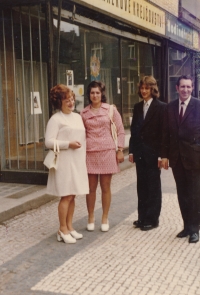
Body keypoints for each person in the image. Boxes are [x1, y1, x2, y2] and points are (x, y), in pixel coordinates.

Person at [45, 84, 89, 244]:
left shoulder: (77, 117)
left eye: (72, 99)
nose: (71, 103)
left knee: (73, 194)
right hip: (64, 162)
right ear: (59, 102)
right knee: (66, 195)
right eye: (67, 100)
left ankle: (69, 227)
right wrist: (68, 144)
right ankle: (62, 229)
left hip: (77, 161)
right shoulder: (55, 119)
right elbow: (49, 142)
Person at [80, 81, 125, 232]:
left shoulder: (110, 110)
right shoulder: (83, 113)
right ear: (89, 95)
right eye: (92, 93)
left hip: (107, 152)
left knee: (105, 187)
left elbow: (120, 131)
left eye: (97, 93)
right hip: (90, 153)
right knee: (91, 188)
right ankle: (91, 216)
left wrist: (120, 149)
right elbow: (80, 134)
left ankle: (105, 217)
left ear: (102, 94)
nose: (95, 95)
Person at [161, 75, 200, 243]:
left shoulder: (198, 105)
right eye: (182, 87)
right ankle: (186, 226)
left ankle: (194, 230)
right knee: (182, 194)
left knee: (194, 195)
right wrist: (164, 155)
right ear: (177, 88)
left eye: (188, 87)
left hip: (194, 158)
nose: (185, 90)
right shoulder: (169, 107)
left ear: (192, 88)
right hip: (176, 159)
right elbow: (164, 133)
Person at [129, 76, 166, 231]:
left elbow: (164, 133)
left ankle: (152, 219)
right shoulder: (138, 107)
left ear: (153, 89)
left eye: (147, 88)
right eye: (142, 88)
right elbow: (134, 130)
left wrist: (162, 155)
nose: (144, 91)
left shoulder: (161, 107)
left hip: (153, 154)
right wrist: (131, 151)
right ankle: (142, 217)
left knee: (153, 186)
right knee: (141, 185)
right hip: (140, 153)